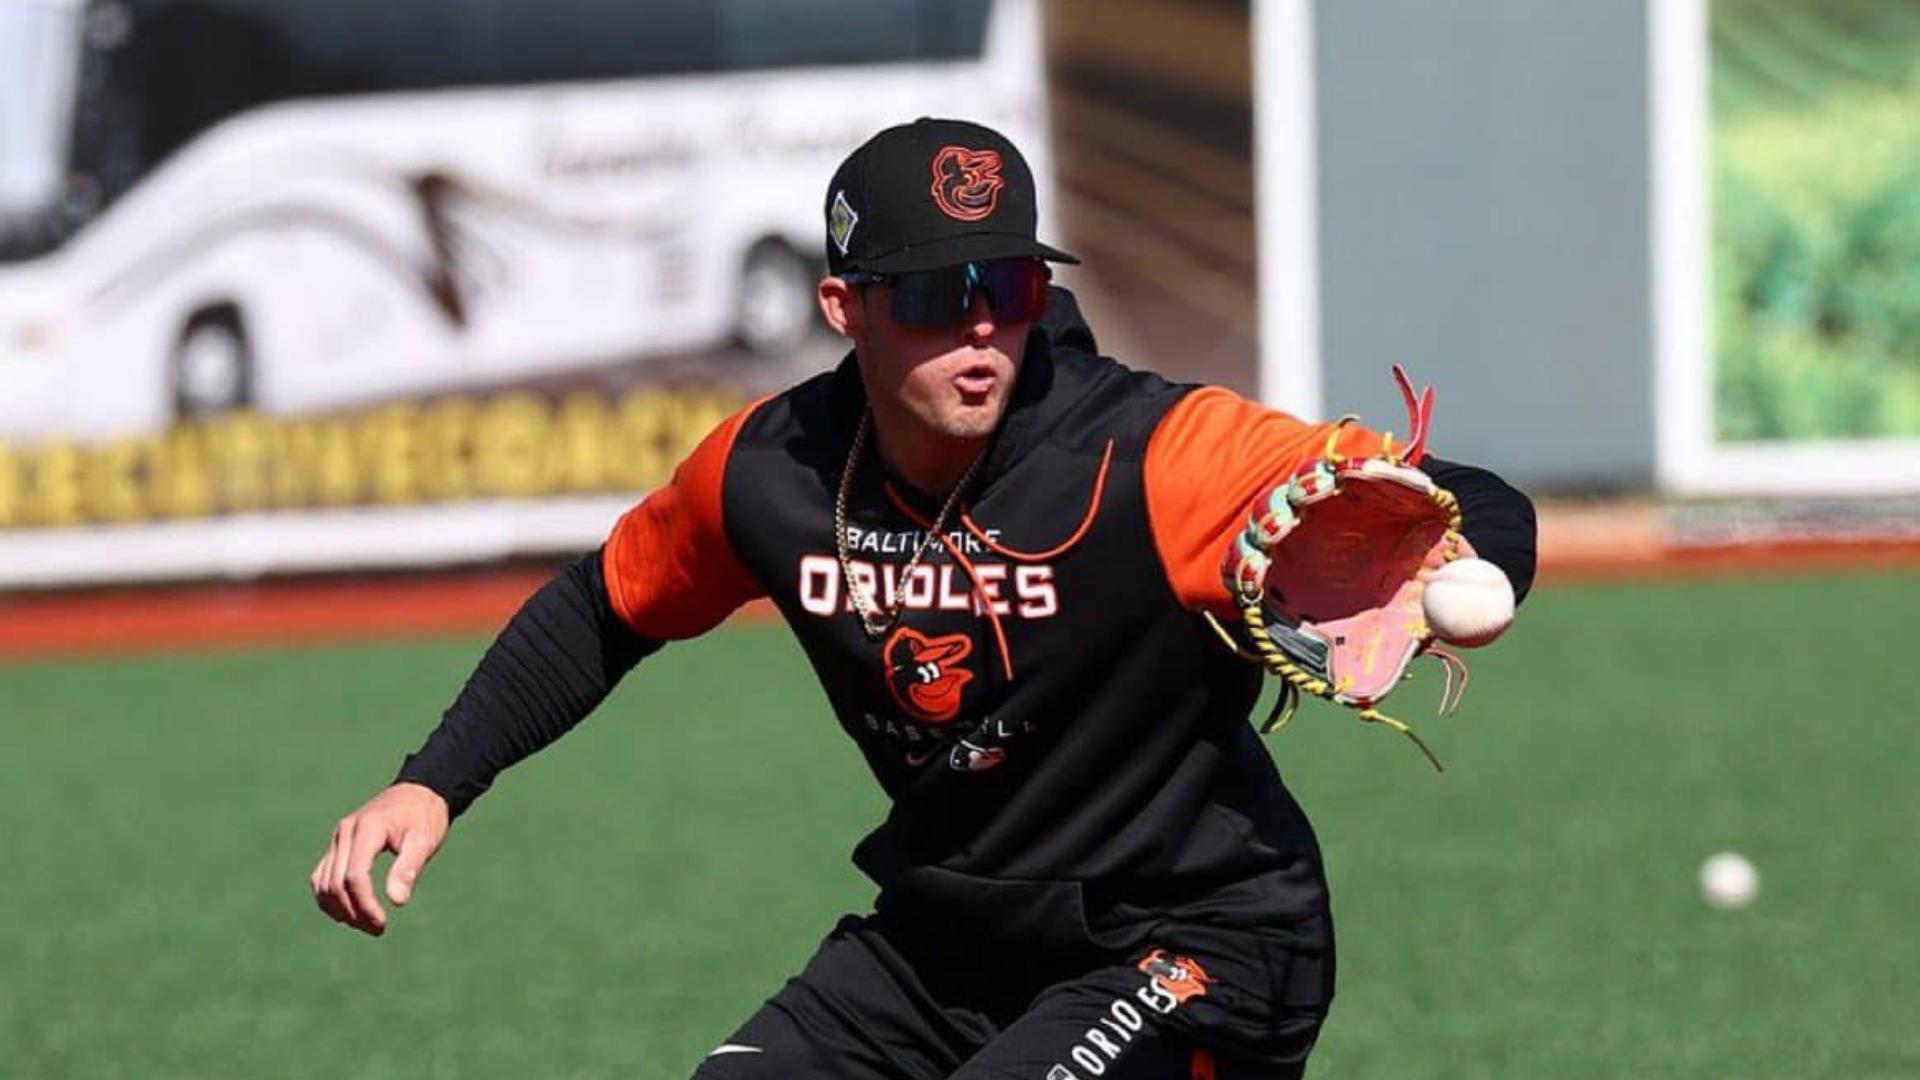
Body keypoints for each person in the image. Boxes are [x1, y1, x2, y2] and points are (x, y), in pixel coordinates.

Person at [309, 118, 1537, 1079]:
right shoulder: (769, 473)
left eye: (1005, 282)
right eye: (937, 295)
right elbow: (604, 608)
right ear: (845, 308)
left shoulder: (1156, 457)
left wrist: (1461, 558)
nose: (983, 327)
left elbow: (1465, 497)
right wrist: (434, 778)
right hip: (950, 942)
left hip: (1195, 943)